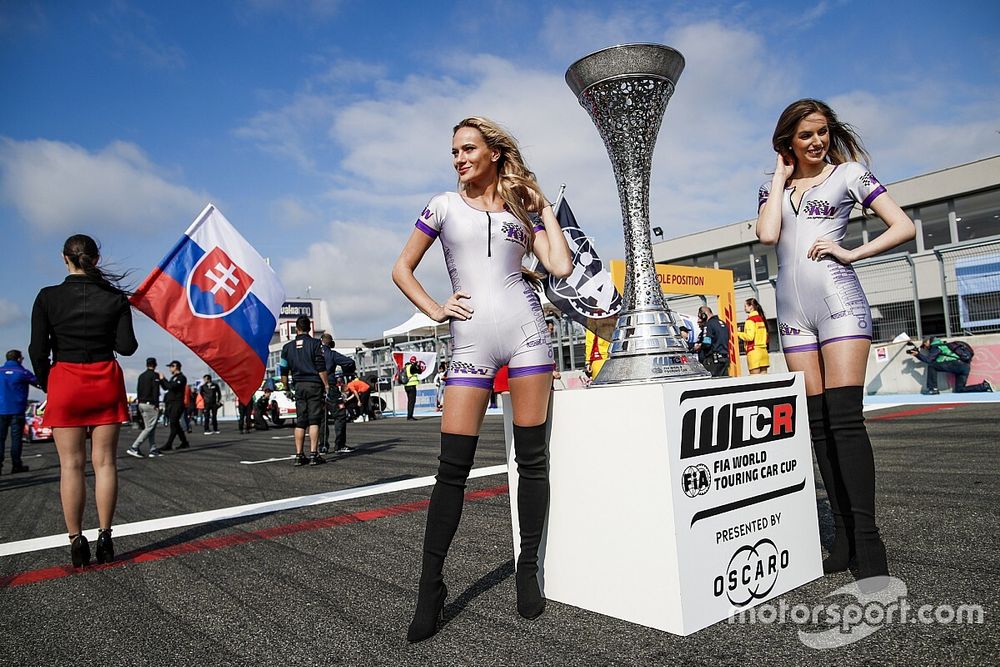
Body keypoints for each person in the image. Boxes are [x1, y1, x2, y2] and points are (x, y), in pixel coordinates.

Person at [392, 116, 573, 641]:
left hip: (528, 335)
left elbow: (558, 266)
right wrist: (434, 308)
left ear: (494, 152)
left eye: (468, 148)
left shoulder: (522, 207)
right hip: (469, 342)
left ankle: (527, 568)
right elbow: (402, 268)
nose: (458, 158)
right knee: (453, 467)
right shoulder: (442, 206)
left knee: (532, 457)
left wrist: (541, 207)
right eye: (454, 151)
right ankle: (431, 587)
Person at [756, 99, 916, 590]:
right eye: (806, 135)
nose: (817, 142)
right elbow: (767, 237)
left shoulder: (849, 174)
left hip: (839, 301)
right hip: (792, 313)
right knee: (819, 427)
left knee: (845, 420)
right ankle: (843, 536)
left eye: (822, 132)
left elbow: (905, 226)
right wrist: (780, 180)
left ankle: (867, 538)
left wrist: (852, 251)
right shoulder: (772, 185)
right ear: (788, 140)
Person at [28, 234, 138, 567]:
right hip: (104, 378)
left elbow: (37, 350)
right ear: (97, 259)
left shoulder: (47, 297)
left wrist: (51, 384)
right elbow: (128, 347)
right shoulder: (115, 297)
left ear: (65, 258)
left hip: (65, 380)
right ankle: (106, 535)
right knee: (105, 462)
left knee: (70, 465)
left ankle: (76, 540)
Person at [280, 316, 330, 466]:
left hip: (298, 386)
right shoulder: (315, 344)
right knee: (314, 420)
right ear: (309, 328)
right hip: (314, 384)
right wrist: (326, 385)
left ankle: (299, 454)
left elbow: (283, 370)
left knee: (301, 421)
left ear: (297, 328)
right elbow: (321, 367)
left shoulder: (287, 347)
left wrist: (286, 387)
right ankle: (314, 454)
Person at [0, 349, 40, 474]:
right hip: (17, 410)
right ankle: (16, 464)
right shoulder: (22, 372)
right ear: (18, 359)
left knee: (0, 439)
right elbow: (37, 382)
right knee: (16, 438)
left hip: (1, 410)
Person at [906, 338, 993, 394]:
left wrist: (917, 355)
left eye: (924, 346)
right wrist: (918, 354)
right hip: (965, 366)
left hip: (956, 364)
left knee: (932, 366)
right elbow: (935, 358)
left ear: (927, 342)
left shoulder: (935, 346)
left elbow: (929, 360)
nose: (925, 348)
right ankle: (984, 386)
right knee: (959, 389)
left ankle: (933, 389)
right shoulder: (943, 345)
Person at [319, 334, 355, 454]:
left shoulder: (314, 353)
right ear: (331, 343)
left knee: (321, 417)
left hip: (317, 388)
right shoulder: (332, 354)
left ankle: (323, 446)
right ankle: (339, 445)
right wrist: (347, 373)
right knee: (340, 415)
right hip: (331, 387)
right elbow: (349, 362)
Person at [127, 357, 163, 458]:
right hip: (150, 404)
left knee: (150, 427)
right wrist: (156, 404)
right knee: (149, 428)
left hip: (141, 403)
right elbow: (155, 391)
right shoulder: (154, 375)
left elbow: (138, 389)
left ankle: (153, 448)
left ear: (146, 364)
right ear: (155, 365)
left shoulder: (141, 376)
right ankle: (134, 447)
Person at [159, 361, 190, 451]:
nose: (170, 369)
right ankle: (184, 442)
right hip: (171, 403)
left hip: (178, 403)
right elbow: (166, 387)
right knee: (175, 423)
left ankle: (169, 444)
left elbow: (172, 387)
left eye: (171, 367)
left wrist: (163, 379)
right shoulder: (173, 378)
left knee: (173, 423)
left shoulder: (181, 378)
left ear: (176, 367)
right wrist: (161, 380)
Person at [694, 306, 730, 377]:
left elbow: (707, 343)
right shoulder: (723, 323)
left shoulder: (709, 324)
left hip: (714, 361)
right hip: (724, 359)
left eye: (700, 316)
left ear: (704, 315)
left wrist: (699, 347)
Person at [738, 298, 770, 375]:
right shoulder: (761, 319)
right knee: (765, 379)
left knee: (755, 379)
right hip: (764, 351)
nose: (744, 308)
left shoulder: (750, 320)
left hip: (754, 351)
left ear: (751, 306)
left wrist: (738, 333)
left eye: (745, 306)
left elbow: (750, 337)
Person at [403, 356, 422, 420]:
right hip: (411, 386)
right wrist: (418, 365)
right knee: (412, 402)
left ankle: (409, 415)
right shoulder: (412, 367)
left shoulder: (406, 367)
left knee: (409, 401)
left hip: (406, 386)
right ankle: (410, 416)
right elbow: (419, 371)